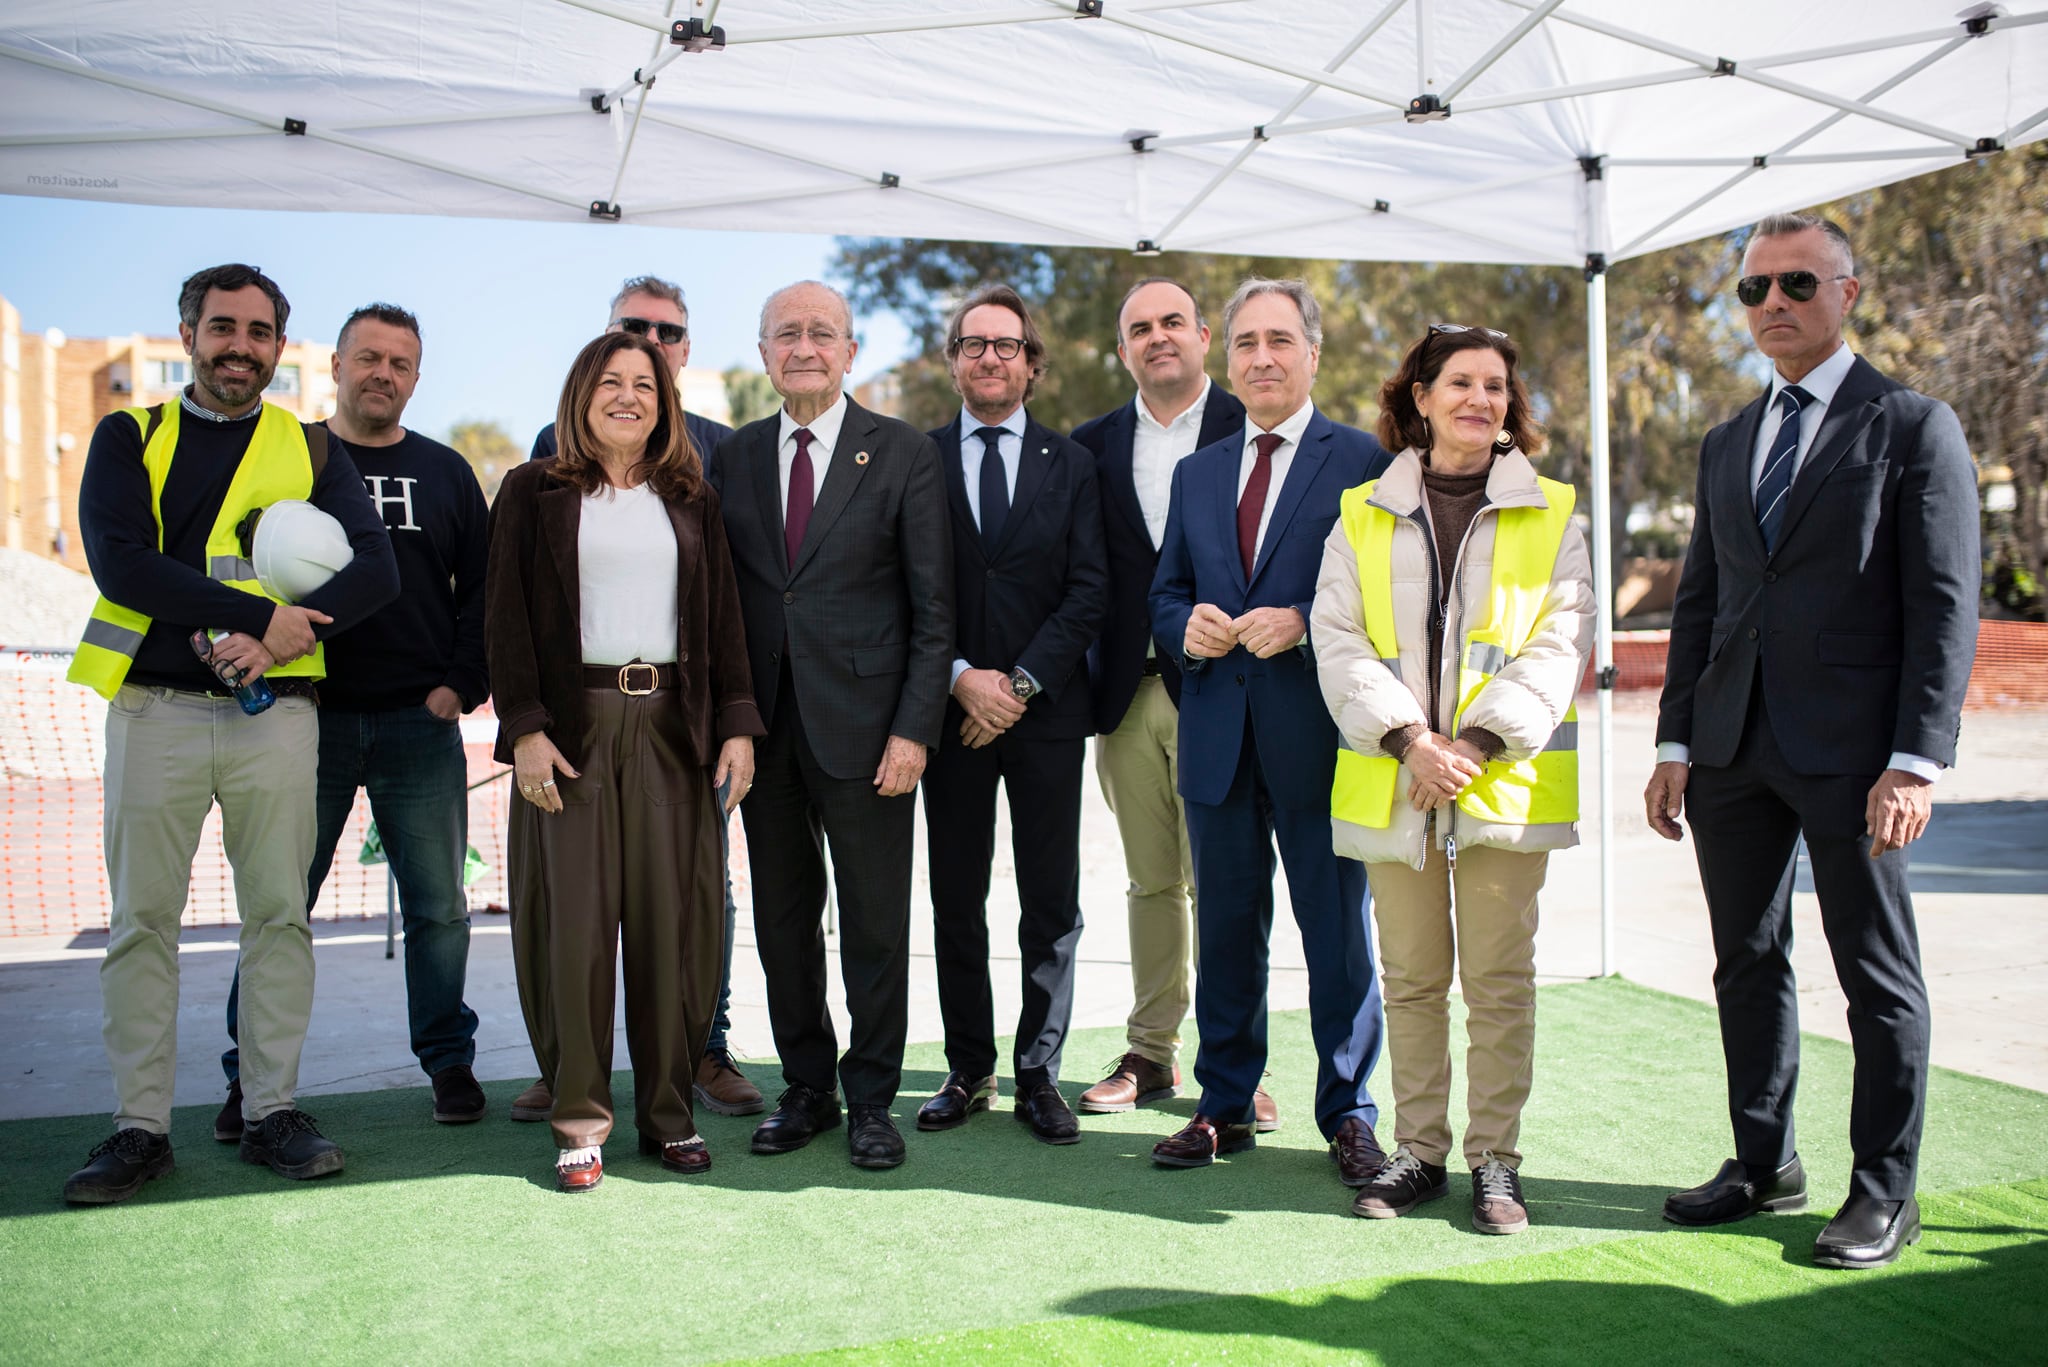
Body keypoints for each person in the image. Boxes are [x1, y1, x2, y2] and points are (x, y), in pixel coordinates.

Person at [1647, 213, 1979, 1269]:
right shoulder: (1725, 442)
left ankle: (1884, 1190)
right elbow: (1699, 602)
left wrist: (1914, 759)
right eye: (1751, 289)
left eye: (1794, 282)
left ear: (1846, 291)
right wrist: (1673, 743)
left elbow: (1942, 605)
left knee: (1874, 974)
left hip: (1855, 756)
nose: (1771, 304)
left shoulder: (1911, 424)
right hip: (1730, 747)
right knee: (1743, 961)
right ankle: (1762, 1163)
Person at [62, 264, 398, 1204]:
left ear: (279, 348)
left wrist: (298, 628)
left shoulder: (310, 445)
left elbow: (377, 571)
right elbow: (121, 565)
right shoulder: (131, 433)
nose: (238, 347)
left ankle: (270, 1112)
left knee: (279, 919)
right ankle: (139, 1128)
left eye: (257, 332)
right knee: (141, 926)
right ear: (188, 333)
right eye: (222, 328)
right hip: (153, 711)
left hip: (276, 722)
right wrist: (263, 617)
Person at [1312, 324, 1593, 1235]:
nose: (1481, 399)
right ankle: (1420, 1151)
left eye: (1497, 386)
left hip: (1499, 784)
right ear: (1420, 397)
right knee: (1411, 979)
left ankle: (1497, 1160)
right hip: (1396, 781)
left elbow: (1561, 644)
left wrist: (1468, 742)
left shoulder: (1556, 512)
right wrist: (1408, 741)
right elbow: (1338, 638)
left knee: (1501, 982)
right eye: (1460, 383)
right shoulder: (1361, 511)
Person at [485, 331, 761, 1192]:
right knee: (571, 930)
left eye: (646, 385)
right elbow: (505, 621)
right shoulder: (532, 492)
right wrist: (525, 729)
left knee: (673, 931)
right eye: (611, 382)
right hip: (571, 731)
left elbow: (723, 627)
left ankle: (668, 1117)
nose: (629, 397)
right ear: (581, 393)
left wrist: (738, 727)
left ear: (665, 402)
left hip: (674, 729)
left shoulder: (693, 498)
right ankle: (579, 1118)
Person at [214, 303, 492, 1138]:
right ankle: (251, 1079)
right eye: (367, 357)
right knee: (279, 901)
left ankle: (448, 1059)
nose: (383, 373)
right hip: (306, 720)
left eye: (400, 363)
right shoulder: (284, 459)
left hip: (419, 720)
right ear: (333, 364)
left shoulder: (445, 473)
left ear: (415, 377)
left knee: (440, 906)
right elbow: (232, 571)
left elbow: (480, 591)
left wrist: (460, 685)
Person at [1146, 277, 1392, 1186]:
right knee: (1227, 932)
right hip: (1217, 737)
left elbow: (1387, 600)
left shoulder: (1363, 461)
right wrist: (1186, 630)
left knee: (1336, 933)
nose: (1260, 357)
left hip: (1320, 739)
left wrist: (1299, 614)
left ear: (1312, 353)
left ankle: (1349, 1112)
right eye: (1245, 342)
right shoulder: (1199, 471)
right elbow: (1165, 591)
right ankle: (1222, 1104)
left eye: (1279, 340)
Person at [710, 280, 954, 1171]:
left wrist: (914, 729)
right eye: (786, 335)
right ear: (764, 352)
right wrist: (731, 722)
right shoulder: (730, 459)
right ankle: (807, 1087)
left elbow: (935, 607)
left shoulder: (901, 452)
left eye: (822, 333)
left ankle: (873, 1098)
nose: (803, 347)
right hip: (763, 738)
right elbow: (722, 608)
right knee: (781, 921)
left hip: (870, 734)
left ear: (852, 352)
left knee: (876, 924)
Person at [916, 285, 1107, 1145]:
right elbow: (908, 590)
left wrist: (1019, 686)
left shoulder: (1073, 467)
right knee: (956, 897)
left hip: (1046, 714)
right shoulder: (914, 462)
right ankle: (969, 1068)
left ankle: (1039, 1073)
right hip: (949, 713)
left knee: (1049, 901)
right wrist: (962, 678)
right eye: (973, 344)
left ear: (1033, 363)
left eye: (1007, 345)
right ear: (953, 361)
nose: (989, 357)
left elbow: (1089, 589)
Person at [1070, 278, 1250, 1121]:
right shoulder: (1090, 446)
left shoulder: (1251, 428)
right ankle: (1152, 1050)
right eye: (1139, 328)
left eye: (1173, 321)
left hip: (1227, 691)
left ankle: (1234, 1063)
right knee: (1152, 884)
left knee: (1227, 882)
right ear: (1123, 351)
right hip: (1125, 697)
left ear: (1205, 335)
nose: (1158, 337)